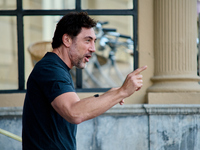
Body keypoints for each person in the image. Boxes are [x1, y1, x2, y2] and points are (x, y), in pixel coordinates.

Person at [22, 12, 147, 150]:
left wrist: (114, 93)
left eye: (94, 41)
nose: (93, 48)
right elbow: (74, 112)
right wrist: (122, 92)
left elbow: (75, 108)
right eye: (87, 40)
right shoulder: (50, 69)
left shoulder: (57, 68)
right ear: (67, 40)